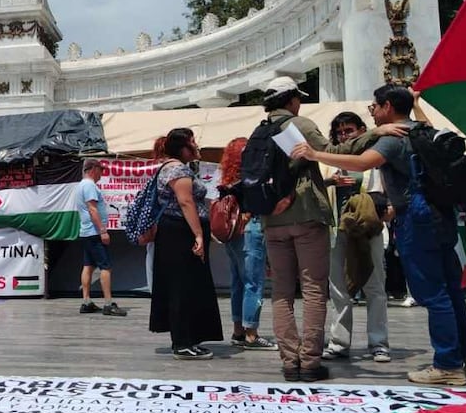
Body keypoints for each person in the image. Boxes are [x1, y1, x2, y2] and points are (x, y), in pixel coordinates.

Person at [292, 84, 466, 386]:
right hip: (440, 215)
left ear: (388, 106)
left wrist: (315, 154)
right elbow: (426, 123)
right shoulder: (421, 129)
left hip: (416, 216)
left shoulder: (393, 138)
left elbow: (363, 163)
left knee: (432, 293)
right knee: (451, 290)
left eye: (375, 107)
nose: (374, 112)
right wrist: (416, 103)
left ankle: (447, 364)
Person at [257, 77, 406, 382]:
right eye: (297, 98)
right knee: (314, 289)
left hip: (273, 219)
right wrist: (376, 132)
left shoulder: (260, 130)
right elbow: (335, 149)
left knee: (282, 292)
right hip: (307, 216)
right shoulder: (299, 124)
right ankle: (310, 361)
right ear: (291, 100)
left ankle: (289, 361)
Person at [321, 113, 391, 363]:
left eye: (349, 130)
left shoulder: (374, 155)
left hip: (367, 228)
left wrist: (388, 209)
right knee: (338, 288)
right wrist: (331, 181)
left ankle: (378, 342)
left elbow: (388, 188)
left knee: (374, 286)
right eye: (339, 132)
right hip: (336, 229)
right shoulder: (330, 158)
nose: (344, 135)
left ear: (362, 130)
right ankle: (339, 342)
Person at [149, 128, 223, 359]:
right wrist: (198, 234)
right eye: (192, 142)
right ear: (183, 147)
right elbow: (185, 201)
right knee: (181, 286)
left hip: (180, 231)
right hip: (179, 233)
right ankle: (182, 342)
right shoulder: (176, 169)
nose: (196, 145)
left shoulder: (178, 167)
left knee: (190, 285)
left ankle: (189, 338)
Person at [218, 137, 276, 350]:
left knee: (238, 283)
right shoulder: (250, 177)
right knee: (253, 282)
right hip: (250, 227)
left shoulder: (227, 180)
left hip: (232, 232)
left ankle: (238, 331)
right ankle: (251, 333)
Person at [76, 158, 126, 317]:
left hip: (86, 232)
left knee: (88, 266)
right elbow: (92, 209)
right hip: (94, 232)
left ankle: (86, 301)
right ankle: (108, 303)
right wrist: (103, 231)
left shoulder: (81, 185)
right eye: (101, 169)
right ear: (93, 169)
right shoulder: (90, 185)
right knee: (106, 267)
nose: (102, 173)